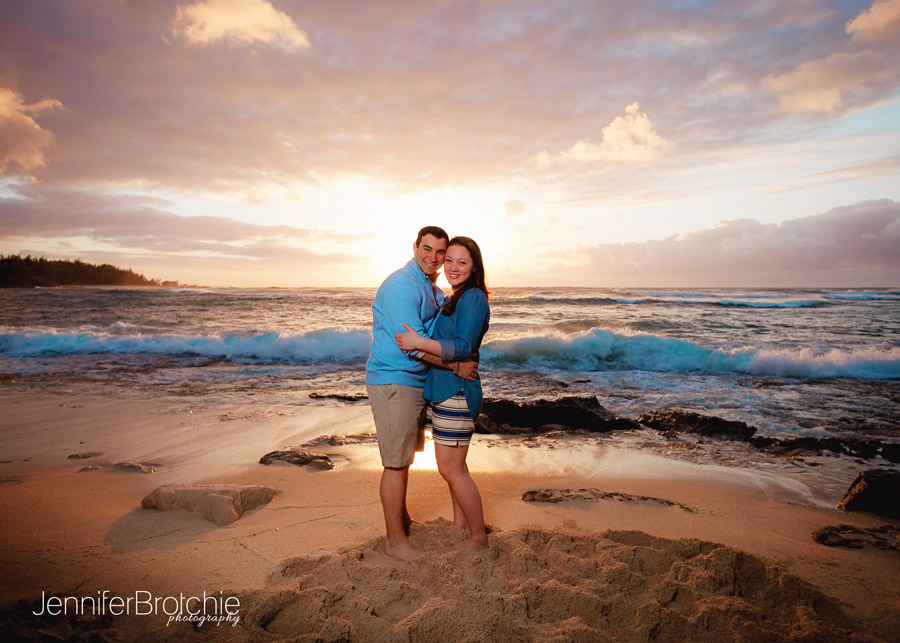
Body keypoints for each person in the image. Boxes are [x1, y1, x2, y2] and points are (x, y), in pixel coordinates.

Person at [365, 226, 477, 560]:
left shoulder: (431, 289)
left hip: (413, 382)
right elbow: (411, 345)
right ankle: (395, 541)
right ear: (415, 247)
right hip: (394, 380)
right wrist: (455, 367)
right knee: (395, 464)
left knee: (403, 458)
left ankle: (401, 522)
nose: (433, 257)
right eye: (427, 249)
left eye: (440, 252)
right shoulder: (402, 286)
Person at [395, 236, 490, 550]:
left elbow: (463, 346)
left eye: (462, 262)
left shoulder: (473, 297)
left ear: (474, 267)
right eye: (448, 260)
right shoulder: (456, 297)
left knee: (450, 468)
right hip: (444, 391)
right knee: (456, 467)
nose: (453, 267)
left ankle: (477, 537)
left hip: (457, 392)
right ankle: (460, 523)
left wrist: (418, 343)